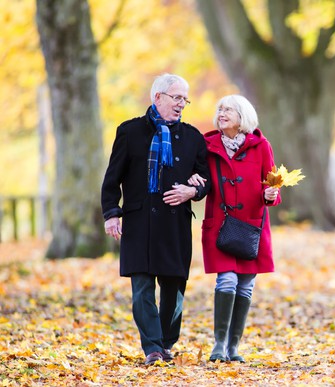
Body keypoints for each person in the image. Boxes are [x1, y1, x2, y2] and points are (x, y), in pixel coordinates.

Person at [101, 73, 211, 365]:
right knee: (142, 289)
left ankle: (165, 341)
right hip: (139, 222)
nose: (182, 105)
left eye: (185, 100)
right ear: (158, 97)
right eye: (177, 98)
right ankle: (152, 347)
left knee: (174, 288)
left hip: (175, 224)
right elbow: (112, 178)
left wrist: (192, 190)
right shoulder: (130, 131)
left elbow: (205, 180)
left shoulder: (193, 137)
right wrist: (112, 213)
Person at [189, 94, 280, 362]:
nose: (222, 112)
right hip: (220, 224)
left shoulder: (261, 146)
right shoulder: (207, 145)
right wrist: (192, 180)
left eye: (229, 109)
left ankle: (233, 347)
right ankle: (219, 344)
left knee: (246, 286)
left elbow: (270, 183)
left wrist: (271, 195)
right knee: (226, 279)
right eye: (220, 108)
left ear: (243, 117)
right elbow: (198, 176)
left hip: (252, 225)